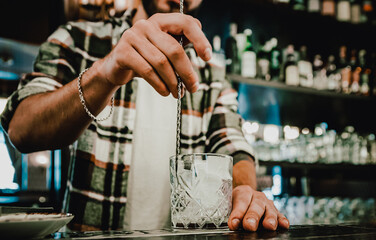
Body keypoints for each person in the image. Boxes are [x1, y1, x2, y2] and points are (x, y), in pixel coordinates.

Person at [0, 0, 289, 232]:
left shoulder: (211, 72)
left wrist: (244, 192)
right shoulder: (78, 38)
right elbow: (21, 129)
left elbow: (233, 145)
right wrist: (106, 71)